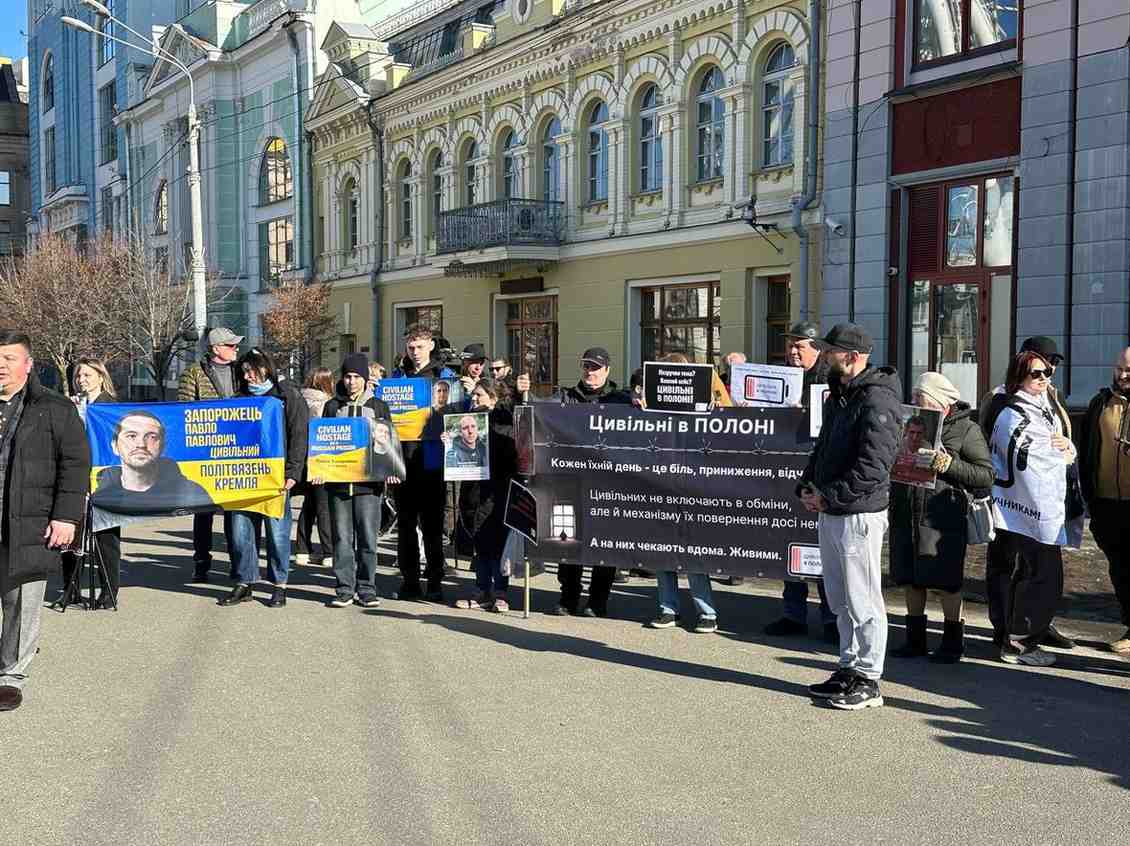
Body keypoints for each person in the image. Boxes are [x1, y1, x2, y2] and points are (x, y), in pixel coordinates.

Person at [799, 323, 901, 711]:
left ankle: (869, 678)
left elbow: (874, 466)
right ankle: (849, 664)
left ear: (853, 357)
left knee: (863, 597)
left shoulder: (877, 400)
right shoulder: (840, 395)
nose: (825, 356)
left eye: (831, 352)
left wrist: (831, 497)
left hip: (859, 514)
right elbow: (824, 446)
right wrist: (808, 485)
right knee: (839, 597)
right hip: (833, 509)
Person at [0, 330, 90, 711]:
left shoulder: (54, 408)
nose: (1, 366)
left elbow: (75, 465)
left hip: (30, 520)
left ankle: (10, 676)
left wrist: (66, 517)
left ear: (28, 364)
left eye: (9, 358)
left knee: (22, 602)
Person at [979, 336, 1077, 651]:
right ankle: (1006, 628)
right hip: (1012, 496)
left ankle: (1033, 625)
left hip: (1040, 493)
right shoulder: (1001, 399)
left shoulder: (1050, 397)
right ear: (1022, 366)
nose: (1048, 374)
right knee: (1007, 565)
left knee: (1033, 568)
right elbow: (1000, 443)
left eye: (1052, 368)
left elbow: (1059, 436)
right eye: (1041, 368)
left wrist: (1066, 448)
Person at [888, 372, 993, 663]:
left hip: (942, 516)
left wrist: (948, 464)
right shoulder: (909, 424)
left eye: (920, 399)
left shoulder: (965, 429)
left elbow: (985, 475)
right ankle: (915, 640)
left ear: (939, 402)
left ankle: (952, 642)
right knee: (910, 578)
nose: (914, 403)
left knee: (946, 581)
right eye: (913, 398)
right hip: (907, 511)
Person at [519, 347, 630, 617]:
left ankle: (598, 599)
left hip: (607, 484)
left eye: (595, 368)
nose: (590, 372)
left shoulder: (620, 400)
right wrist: (522, 392)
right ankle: (568, 596)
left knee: (604, 543)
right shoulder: (566, 397)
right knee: (567, 538)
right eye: (586, 367)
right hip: (570, 481)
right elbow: (536, 410)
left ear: (607, 370)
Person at [218, 348, 308, 609]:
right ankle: (245, 583)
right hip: (242, 478)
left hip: (276, 478)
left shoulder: (287, 395)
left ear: (265, 368)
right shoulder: (238, 398)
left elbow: (299, 435)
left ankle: (279, 586)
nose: (247, 377)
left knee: (277, 534)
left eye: (251, 371)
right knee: (240, 532)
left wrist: (293, 474)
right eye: (243, 372)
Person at [763, 321, 836, 637]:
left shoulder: (831, 379)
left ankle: (832, 619)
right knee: (788, 540)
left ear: (816, 349)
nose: (792, 352)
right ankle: (793, 615)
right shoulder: (781, 377)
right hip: (785, 472)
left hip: (820, 473)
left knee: (821, 549)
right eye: (790, 346)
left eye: (799, 346)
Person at [321, 353, 394, 608]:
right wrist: (319, 469)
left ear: (365, 379)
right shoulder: (332, 406)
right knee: (341, 537)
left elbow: (388, 443)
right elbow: (322, 443)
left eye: (357, 377)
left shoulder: (379, 406)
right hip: (338, 484)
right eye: (348, 376)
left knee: (367, 537)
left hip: (369, 485)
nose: (351, 382)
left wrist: (390, 469)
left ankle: (367, 588)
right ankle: (343, 588)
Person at [391, 325, 456, 602]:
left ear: (430, 345)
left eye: (419, 346)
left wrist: (449, 432)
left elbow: (459, 417)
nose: (414, 352)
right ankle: (409, 582)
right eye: (410, 347)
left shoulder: (445, 377)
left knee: (432, 525)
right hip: (402, 461)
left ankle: (435, 582)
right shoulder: (397, 378)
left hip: (433, 462)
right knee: (405, 525)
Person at [177, 326, 242, 582]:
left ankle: (238, 563)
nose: (236, 349)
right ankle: (201, 562)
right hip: (204, 452)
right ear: (216, 349)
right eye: (231, 345)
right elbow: (183, 410)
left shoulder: (241, 372)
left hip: (237, 450)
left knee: (235, 512)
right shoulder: (193, 372)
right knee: (203, 511)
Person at [1078, 347, 1130, 654]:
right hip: (1107, 504)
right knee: (1120, 570)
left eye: (1129, 372)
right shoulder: (1100, 404)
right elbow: (1087, 453)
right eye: (1119, 369)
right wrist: (1090, 499)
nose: (1123, 376)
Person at [58, 357, 122, 610]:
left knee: (106, 536)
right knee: (70, 534)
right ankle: (70, 589)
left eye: (87, 375)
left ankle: (108, 592)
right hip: (76, 477)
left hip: (105, 478)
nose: (81, 380)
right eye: (78, 376)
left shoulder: (111, 406)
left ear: (100, 377)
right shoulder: (70, 405)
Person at [453, 379, 518, 612]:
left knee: (499, 545)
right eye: (474, 396)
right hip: (474, 491)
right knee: (479, 543)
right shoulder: (466, 421)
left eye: (479, 395)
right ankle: (481, 591)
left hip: (498, 492)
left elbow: (512, 455)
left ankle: (500, 593)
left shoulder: (505, 422)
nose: (474, 399)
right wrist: (449, 443)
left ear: (493, 398)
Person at [93, 411, 213, 512]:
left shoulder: (191, 492)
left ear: (163, 446)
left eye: (151, 437)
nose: (141, 444)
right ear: (115, 446)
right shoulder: (100, 494)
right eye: (131, 436)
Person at [295, 367, 335, 567]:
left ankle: (302, 549)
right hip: (320, 459)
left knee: (308, 506)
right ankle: (329, 551)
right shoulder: (326, 403)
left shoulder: (299, 399)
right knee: (324, 506)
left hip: (301, 459)